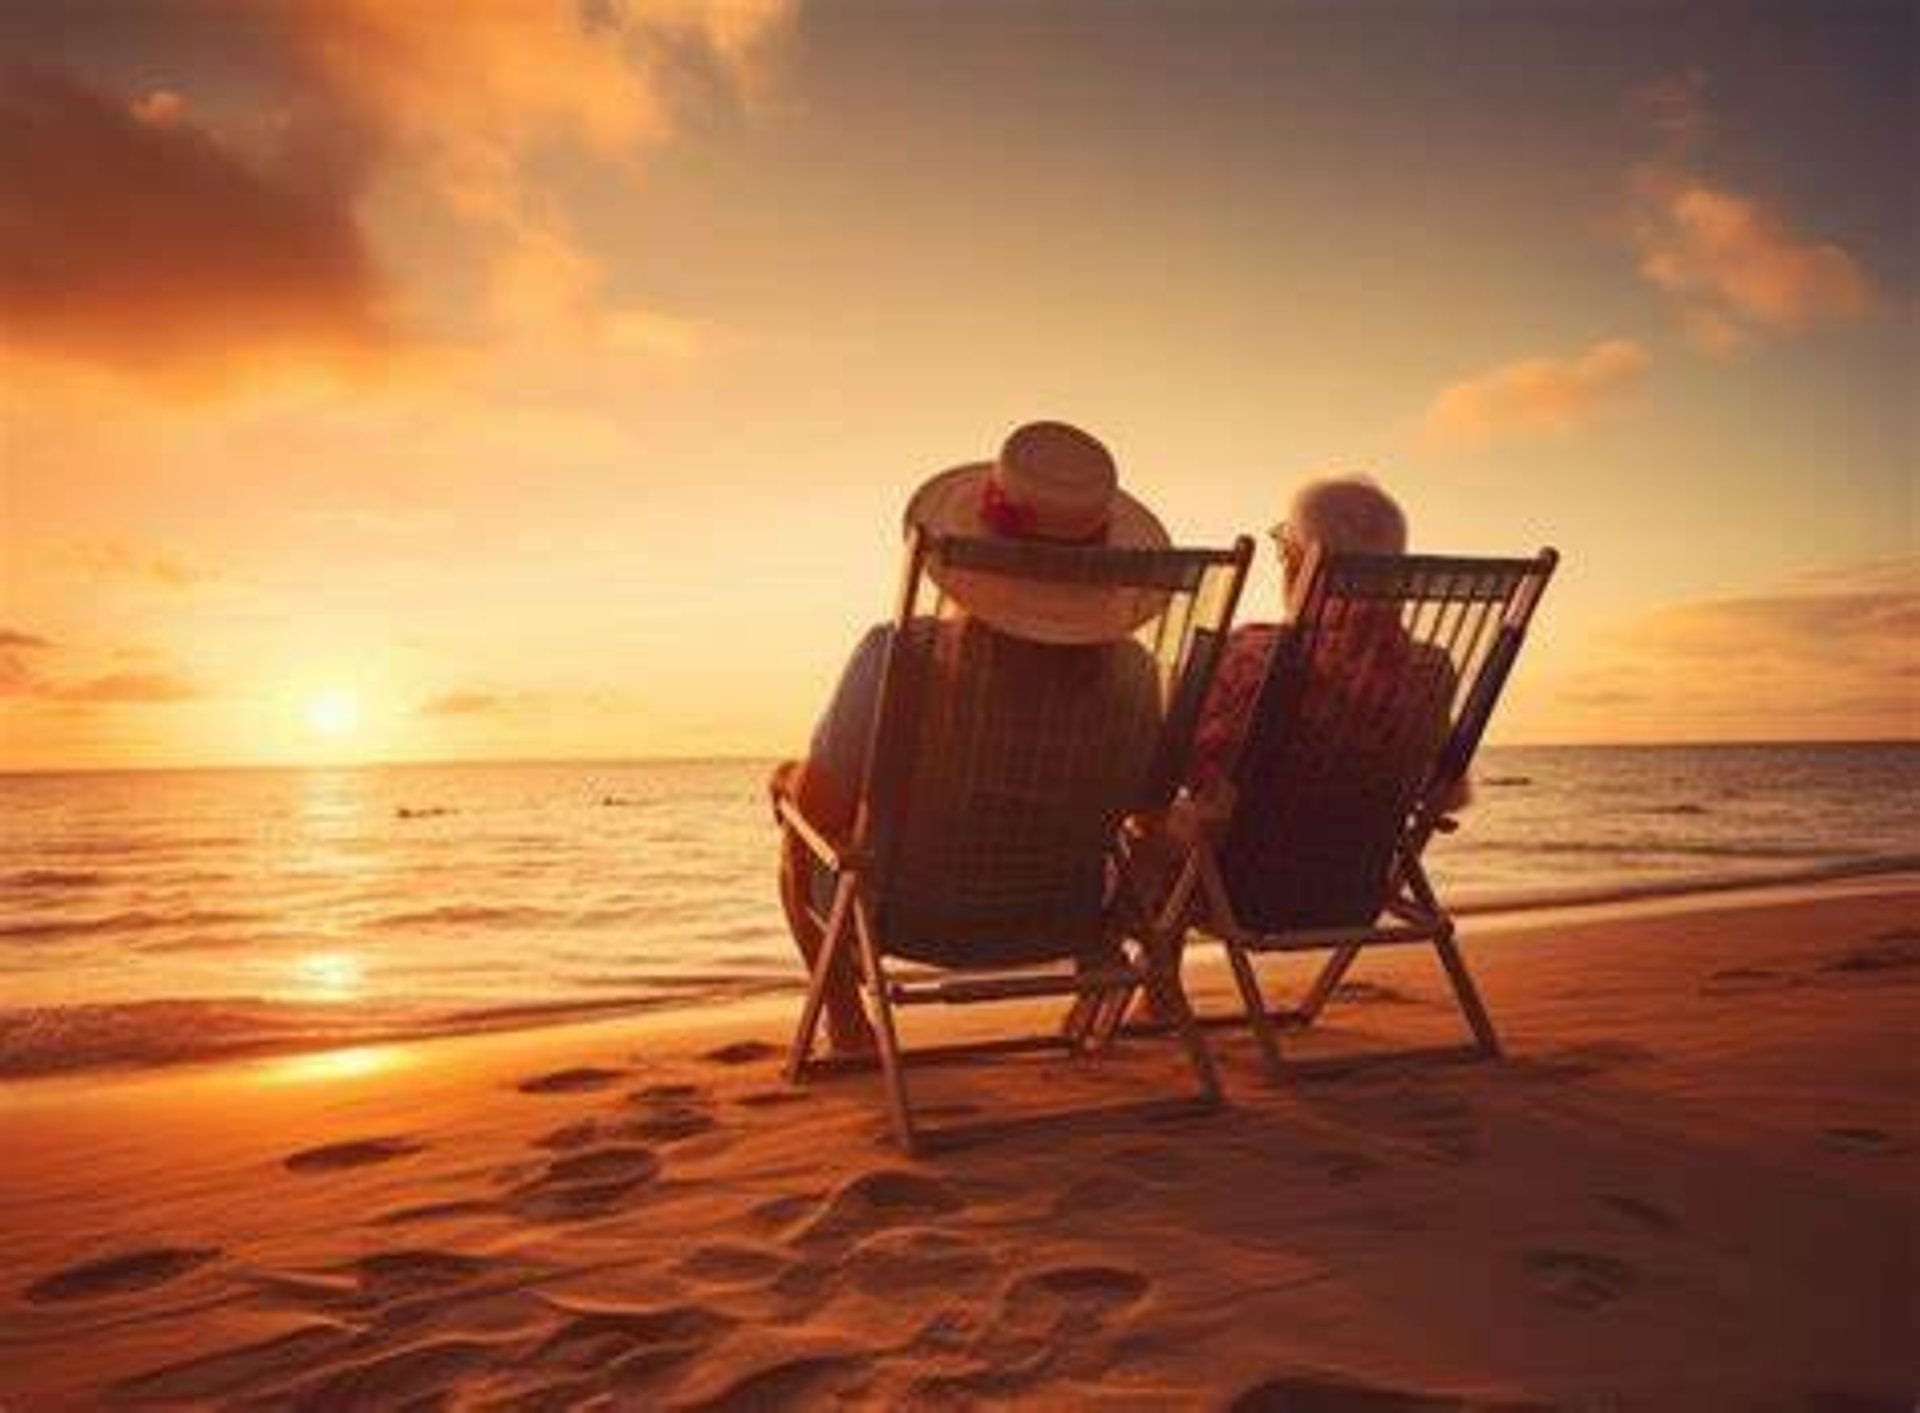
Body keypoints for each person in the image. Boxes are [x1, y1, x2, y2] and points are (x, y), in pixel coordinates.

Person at [770, 421, 1170, 1057]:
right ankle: (1098, 987)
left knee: (795, 818)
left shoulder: (897, 658)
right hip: (1067, 919)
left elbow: (821, 813)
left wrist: (787, 781)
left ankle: (849, 1028)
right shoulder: (1138, 676)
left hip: (907, 917)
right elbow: (1147, 818)